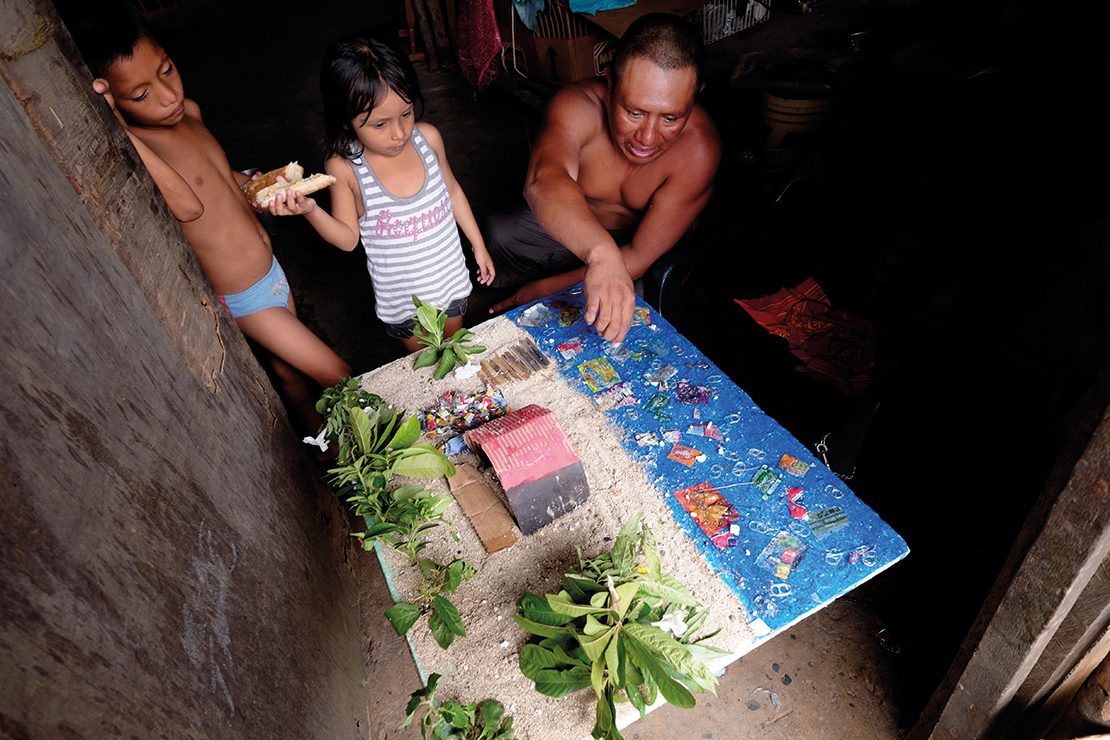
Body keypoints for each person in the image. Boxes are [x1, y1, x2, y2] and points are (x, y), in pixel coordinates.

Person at [55, 0, 351, 440]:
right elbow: (188, 207)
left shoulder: (189, 114)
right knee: (338, 372)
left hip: (271, 272)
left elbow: (227, 181)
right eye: (140, 95)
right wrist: (121, 128)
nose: (169, 96)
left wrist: (264, 189)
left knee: (289, 372)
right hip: (244, 298)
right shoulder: (145, 151)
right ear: (109, 100)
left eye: (167, 70)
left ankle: (320, 445)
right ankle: (374, 455)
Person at [486, 13, 721, 346]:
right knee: (501, 234)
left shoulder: (699, 150)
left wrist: (544, 290)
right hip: (574, 225)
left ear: (695, 95)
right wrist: (599, 255)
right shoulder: (577, 105)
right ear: (610, 81)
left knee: (624, 306)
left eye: (671, 117)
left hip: (634, 248)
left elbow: (639, 256)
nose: (648, 138)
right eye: (634, 112)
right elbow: (544, 179)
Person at [264, 34, 495, 355]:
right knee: (429, 361)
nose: (399, 133)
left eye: (406, 113)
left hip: (451, 282)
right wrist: (310, 210)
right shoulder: (345, 168)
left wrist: (478, 245)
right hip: (404, 305)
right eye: (379, 124)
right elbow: (347, 240)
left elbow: (452, 190)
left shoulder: (428, 138)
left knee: (454, 351)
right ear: (347, 121)